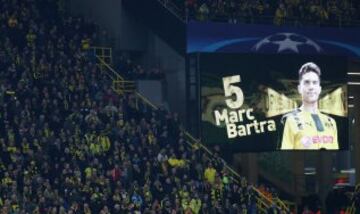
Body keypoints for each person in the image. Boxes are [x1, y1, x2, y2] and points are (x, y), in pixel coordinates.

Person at [280, 62, 339, 150]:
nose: (311, 87)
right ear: (299, 88)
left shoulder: (331, 122)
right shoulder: (290, 120)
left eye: (315, 83)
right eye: (307, 82)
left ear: (319, 89)